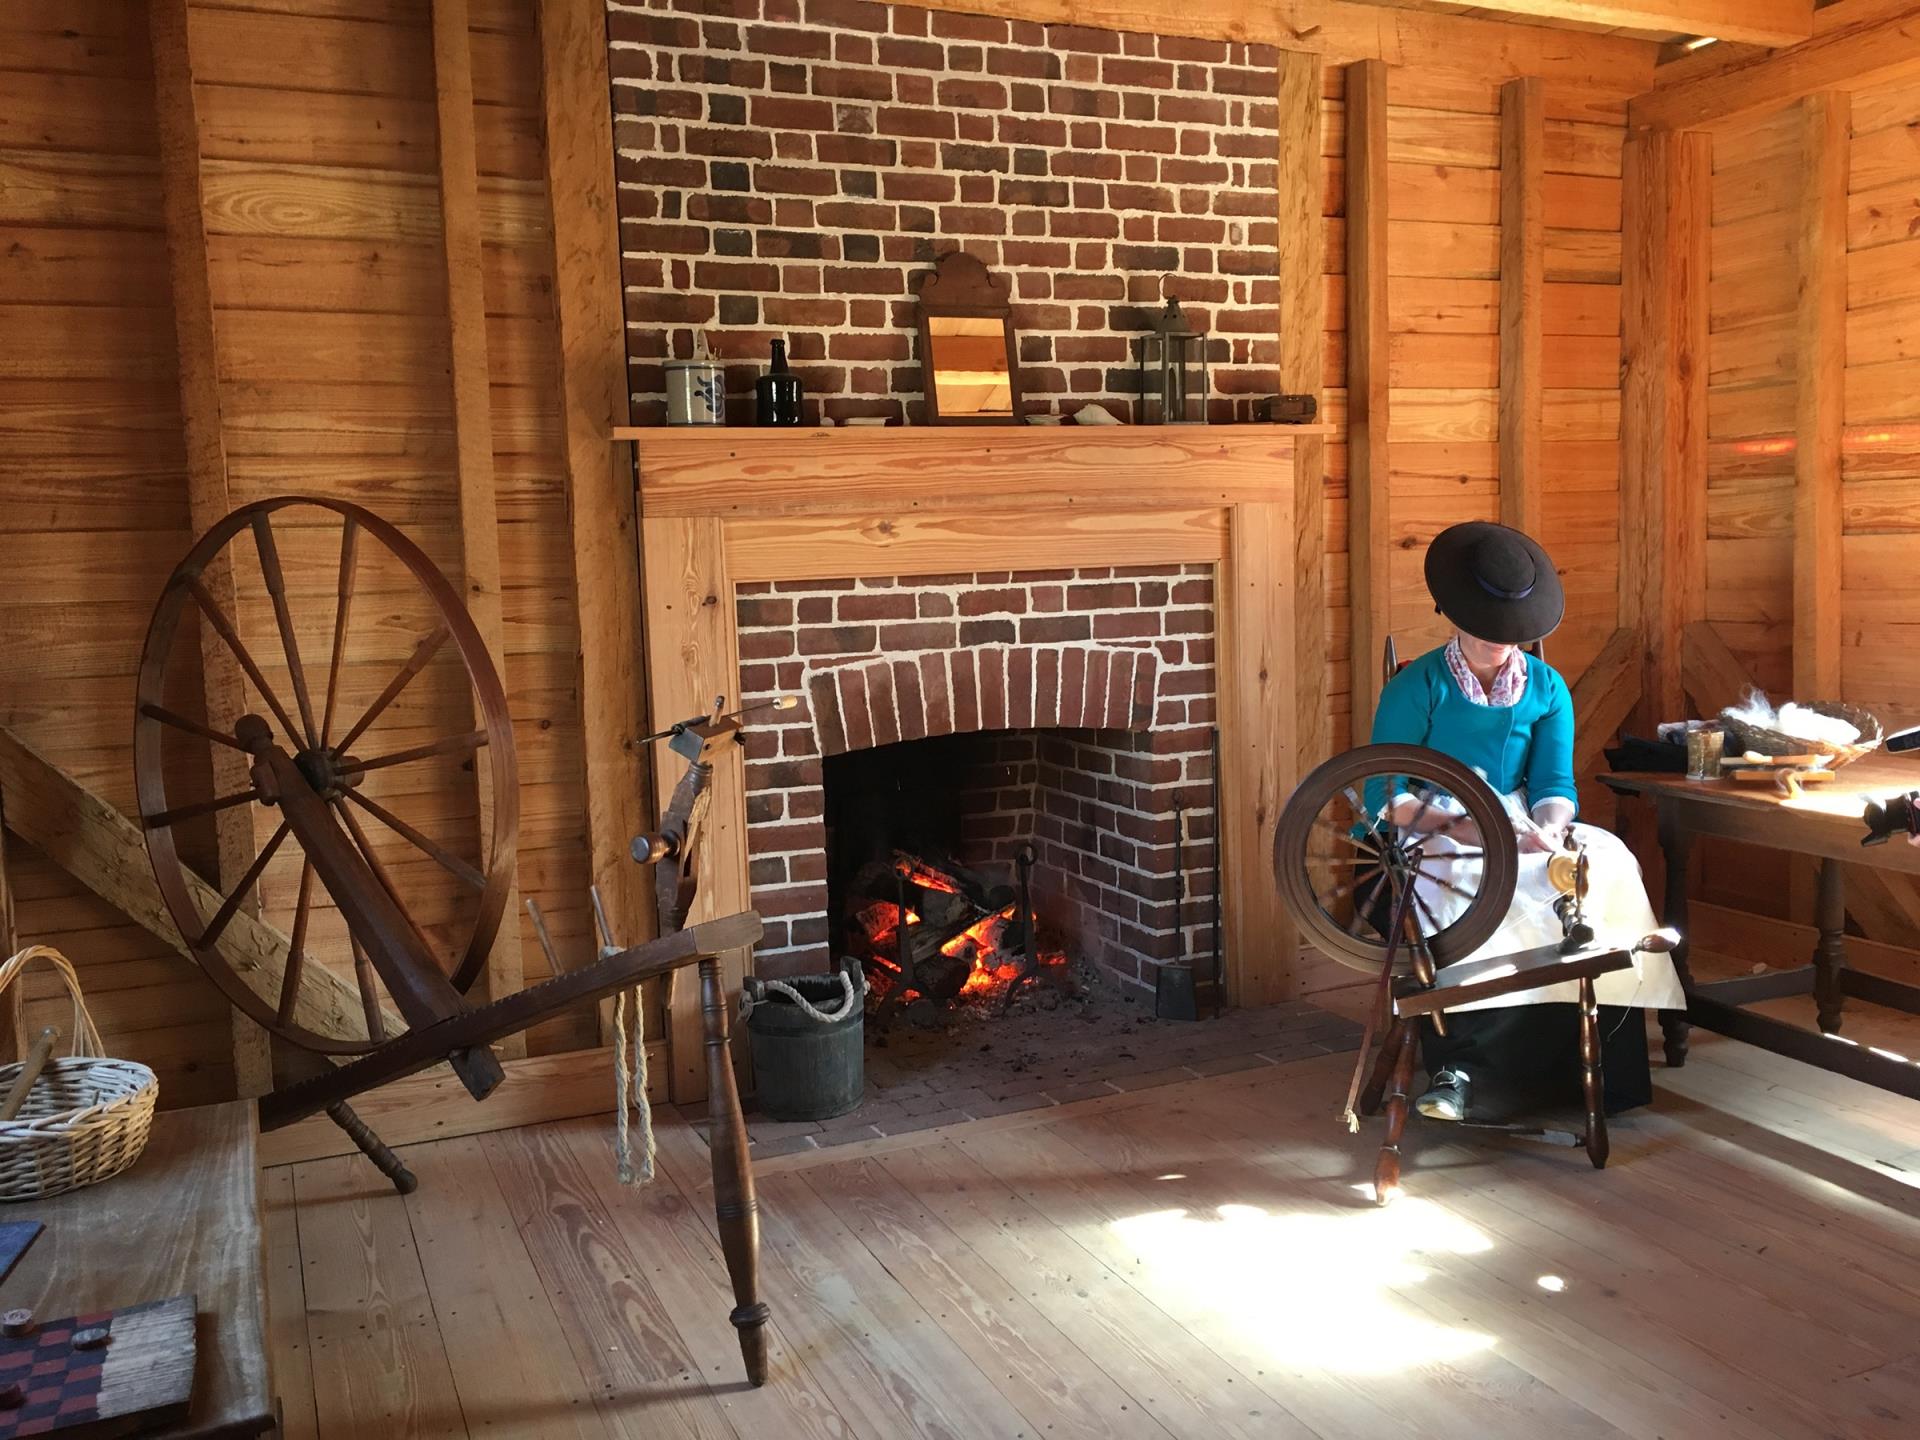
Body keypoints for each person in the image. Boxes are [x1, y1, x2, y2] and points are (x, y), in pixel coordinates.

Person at [1369, 521, 1684, 1123]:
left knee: (1605, 861)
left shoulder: (1547, 687)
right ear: (1454, 614)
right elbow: (1382, 790)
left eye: (1510, 634)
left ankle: (1597, 1046)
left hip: (1520, 814)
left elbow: (1555, 785)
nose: (1498, 644)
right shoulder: (1418, 686)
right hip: (1432, 820)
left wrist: (1552, 827)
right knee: (1471, 882)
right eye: (1486, 632)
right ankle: (1462, 1064)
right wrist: (1473, 830)